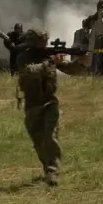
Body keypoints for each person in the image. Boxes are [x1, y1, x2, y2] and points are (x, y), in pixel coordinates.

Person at [16, 27, 89, 186]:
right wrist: (50, 62)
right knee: (38, 141)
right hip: (32, 103)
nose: (44, 44)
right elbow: (30, 71)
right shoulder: (23, 57)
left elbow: (71, 70)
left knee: (50, 136)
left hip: (50, 101)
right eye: (41, 42)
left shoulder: (48, 56)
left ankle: (52, 172)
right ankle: (47, 167)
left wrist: (81, 62)